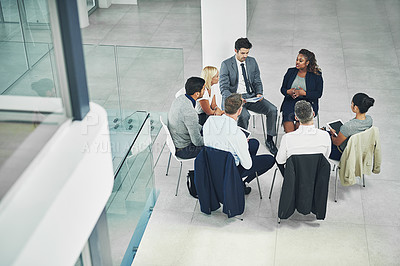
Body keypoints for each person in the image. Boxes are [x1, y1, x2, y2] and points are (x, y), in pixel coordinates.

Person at [203, 93, 275, 195]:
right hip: (229, 168)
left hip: (212, 162)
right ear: (240, 110)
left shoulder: (210, 121)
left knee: (254, 143)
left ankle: (239, 181)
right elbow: (248, 165)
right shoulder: (238, 134)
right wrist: (243, 145)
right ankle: (241, 182)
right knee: (270, 160)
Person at [220, 37, 278, 155]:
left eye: (247, 53)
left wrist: (259, 93)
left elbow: (257, 80)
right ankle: (242, 142)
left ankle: (270, 140)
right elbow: (223, 88)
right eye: (242, 53)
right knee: (244, 116)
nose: (245, 56)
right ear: (235, 51)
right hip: (235, 98)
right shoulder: (226, 64)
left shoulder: (252, 61)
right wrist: (235, 99)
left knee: (272, 109)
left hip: (251, 96)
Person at [276, 100, 331, 175]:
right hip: (316, 178)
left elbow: (280, 160)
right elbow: (325, 158)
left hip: (295, 177)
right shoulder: (325, 136)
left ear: (296, 118)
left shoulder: (287, 138)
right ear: (313, 114)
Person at [280, 49, 323, 133]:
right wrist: (288, 92)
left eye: (301, 61)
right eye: (297, 59)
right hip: (291, 101)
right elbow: (283, 89)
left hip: (308, 102)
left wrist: (304, 93)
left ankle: (299, 139)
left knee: (301, 122)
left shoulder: (316, 75)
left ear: (307, 63)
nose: (297, 62)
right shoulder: (290, 72)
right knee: (288, 117)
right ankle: (291, 139)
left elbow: (318, 93)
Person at [329, 93, 375, 160]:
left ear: (355, 107)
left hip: (343, 154)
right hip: (360, 152)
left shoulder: (348, 126)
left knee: (324, 135)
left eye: (351, 103)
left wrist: (332, 135)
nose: (351, 105)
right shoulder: (369, 120)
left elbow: (336, 143)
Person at [168, 77, 205, 159]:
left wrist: (203, 129)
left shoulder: (180, 99)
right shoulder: (190, 113)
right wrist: (211, 139)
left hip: (177, 140)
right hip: (184, 149)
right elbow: (197, 142)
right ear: (197, 94)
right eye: (203, 89)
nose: (205, 90)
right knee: (216, 147)